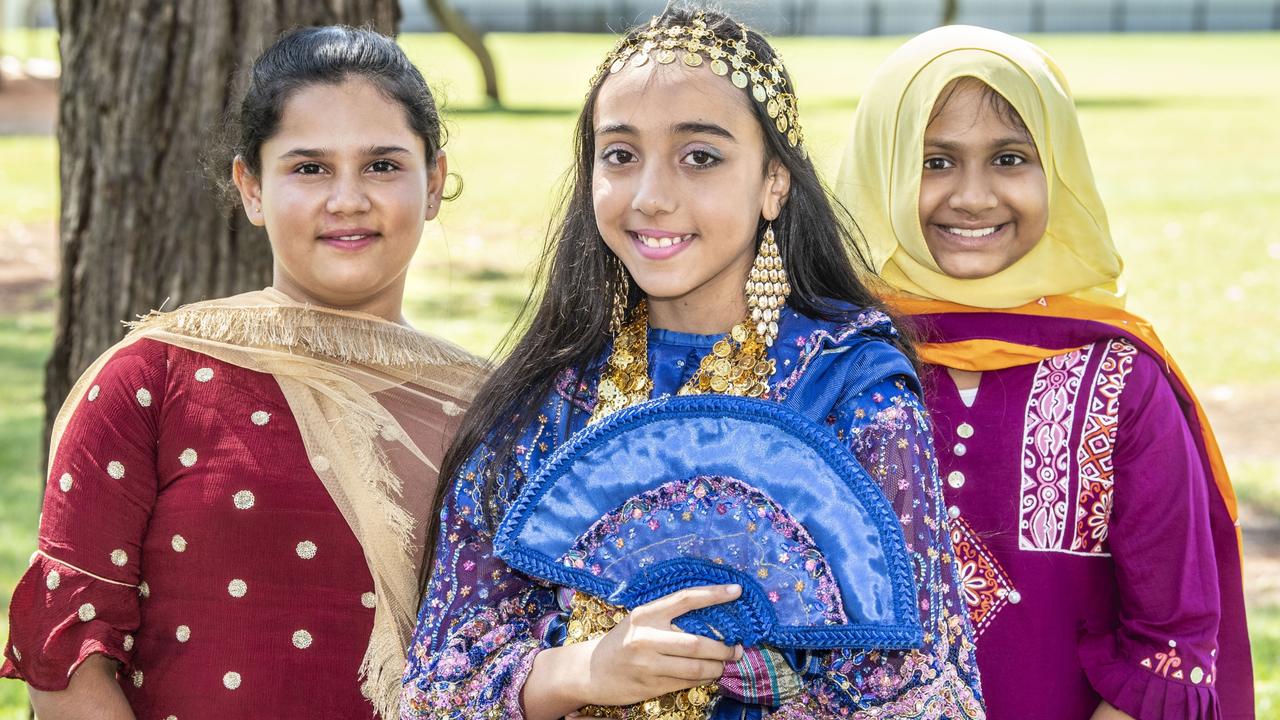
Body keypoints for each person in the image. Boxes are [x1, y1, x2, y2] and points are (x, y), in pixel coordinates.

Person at [400, 5, 984, 719]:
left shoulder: (852, 391)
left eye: (699, 156)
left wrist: (771, 680)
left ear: (775, 181)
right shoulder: (547, 397)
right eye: (620, 155)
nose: (651, 196)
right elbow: (435, 687)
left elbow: (925, 694)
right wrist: (581, 671)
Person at [0, 26, 486, 720]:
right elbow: (68, 661)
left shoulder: (492, 409)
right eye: (308, 168)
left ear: (432, 183)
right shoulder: (151, 383)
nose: (347, 199)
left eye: (382, 165)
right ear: (251, 188)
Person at [837, 24, 1253, 720]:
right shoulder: (834, 366)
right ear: (883, 166)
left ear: (1059, 171)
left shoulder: (1121, 380)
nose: (972, 196)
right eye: (934, 161)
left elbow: (1171, 641)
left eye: (1008, 157)